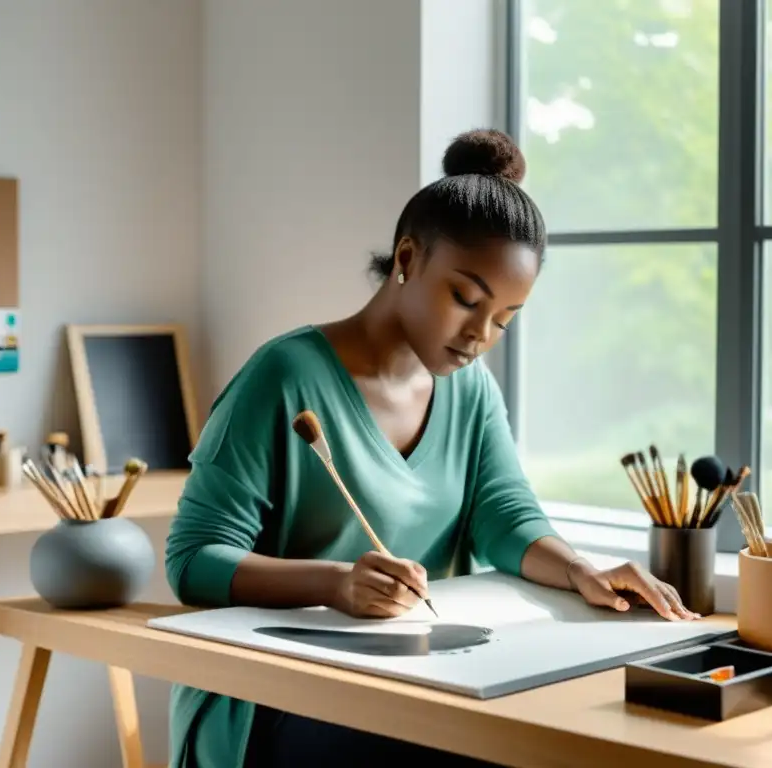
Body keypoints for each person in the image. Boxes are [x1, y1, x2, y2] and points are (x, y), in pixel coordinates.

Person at [163, 128, 698, 768]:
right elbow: (192, 562)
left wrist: (580, 569)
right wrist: (335, 585)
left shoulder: (470, 390)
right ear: (408, 259)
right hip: (269, 699)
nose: (480, 335)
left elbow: (504, 518)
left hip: (416, 685)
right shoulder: (282, 377)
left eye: (503, 318)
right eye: (465, 299)